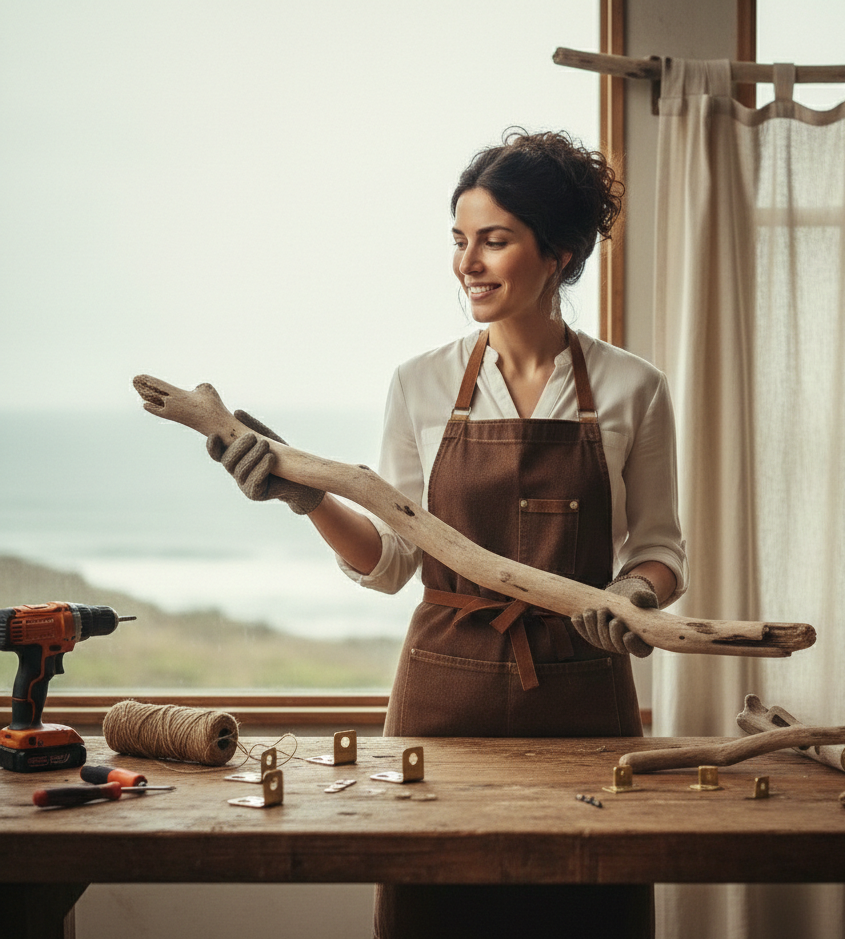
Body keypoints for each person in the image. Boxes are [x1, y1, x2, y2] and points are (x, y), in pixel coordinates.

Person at [209, 128, 688, 939]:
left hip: (583, 694)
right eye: (460, 240)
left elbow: (661, 550)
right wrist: (309, 502)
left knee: (589, 911)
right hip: (444, 693)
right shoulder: (422, 383)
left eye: (494, 240)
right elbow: (395, 560)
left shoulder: (632, 387)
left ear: (560, 254)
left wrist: (633, 598)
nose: (468, 262)